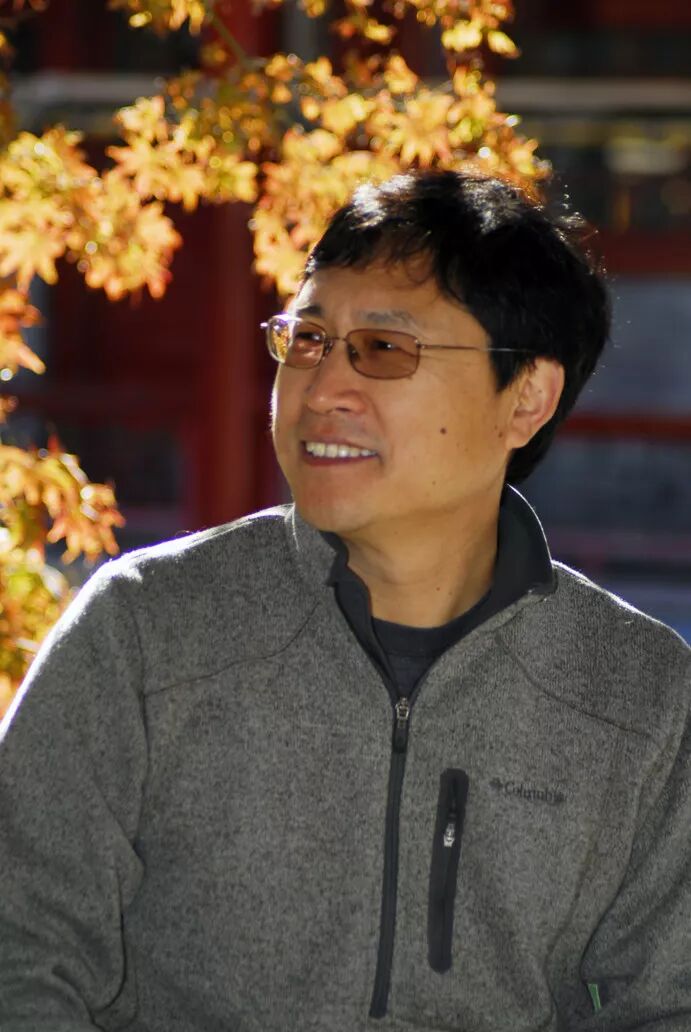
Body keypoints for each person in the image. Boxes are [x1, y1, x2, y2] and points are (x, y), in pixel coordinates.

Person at [0, 169, 689, 1032]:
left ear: (526, 398)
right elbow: (20, 954)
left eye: (384, 349)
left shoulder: (639, 692)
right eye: (308, 340)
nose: (322, 389)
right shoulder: (144, 629)